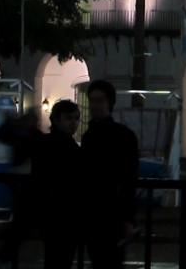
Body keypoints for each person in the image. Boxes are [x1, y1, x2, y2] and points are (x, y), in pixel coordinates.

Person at [79, 79, 140, 269]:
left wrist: (127, 217)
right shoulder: (91, 135)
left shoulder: (120, 136)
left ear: (110, 103)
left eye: (100, 101)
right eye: (93, 101)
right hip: (95, 210)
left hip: (111, 210)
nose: (95, 106)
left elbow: (129, 179)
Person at [32, 99, 85, 268]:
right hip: (63, 211)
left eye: (76, 118)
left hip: (51, 210)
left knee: (56, 257)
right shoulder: (66, 146)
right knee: (62, 257)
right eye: (69, 118)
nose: (74, 122)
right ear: (56, 120)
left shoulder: (46, 143)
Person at [0, 106, 44, 262]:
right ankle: (8, 250)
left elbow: (1, 136)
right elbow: (1, 136)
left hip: (24, 178)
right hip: (24, 179)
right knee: (24, 217)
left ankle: (7, 249)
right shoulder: (31, 135)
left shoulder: (29, 135)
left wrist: (9, 123)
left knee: (23, 217)